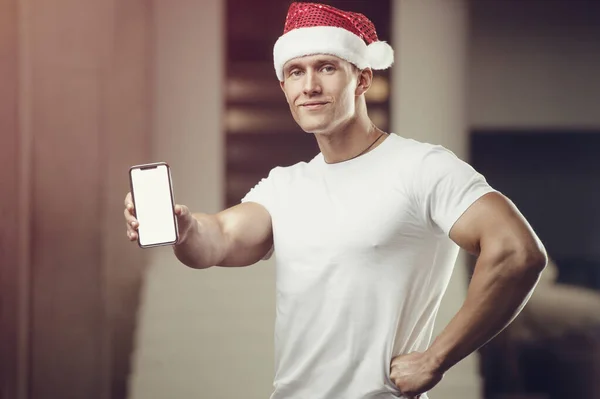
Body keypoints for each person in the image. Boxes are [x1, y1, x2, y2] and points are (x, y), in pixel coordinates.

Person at [123, 3, 547, 398]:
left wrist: (437, 358)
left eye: (326, 67)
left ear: (362, 77)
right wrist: (184, 229)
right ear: (284, 86)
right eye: (294, 72)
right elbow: (219, 239)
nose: (309, 86)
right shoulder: (285, 186)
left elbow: (517, 252)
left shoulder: (423, 167)